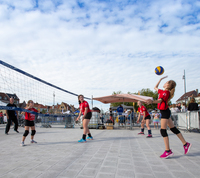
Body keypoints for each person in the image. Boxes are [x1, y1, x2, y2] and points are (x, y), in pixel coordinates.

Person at [147, 76, 191, 158]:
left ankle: (168, 151)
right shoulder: (162, 91)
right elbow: (155, 87)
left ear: (168, 85)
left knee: (163, 131)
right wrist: (160, 80)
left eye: (166, 82)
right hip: (165, 111)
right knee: (173, 128)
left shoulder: (165, 92)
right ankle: (185, 144)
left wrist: (152, 101)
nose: (164, 83)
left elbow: (160, 100)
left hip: (165, 112)